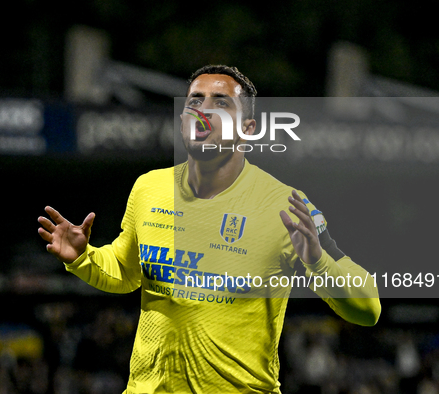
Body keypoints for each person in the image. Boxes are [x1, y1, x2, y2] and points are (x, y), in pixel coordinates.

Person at [38, 65, 380, 393]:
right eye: (195, 101)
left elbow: (368, 309)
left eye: (220, 103)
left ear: (247, 128)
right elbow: (127, 272)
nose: (204, 110)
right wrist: (83, 257)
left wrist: (319, 262)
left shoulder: (287, 205)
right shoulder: (149, 188)